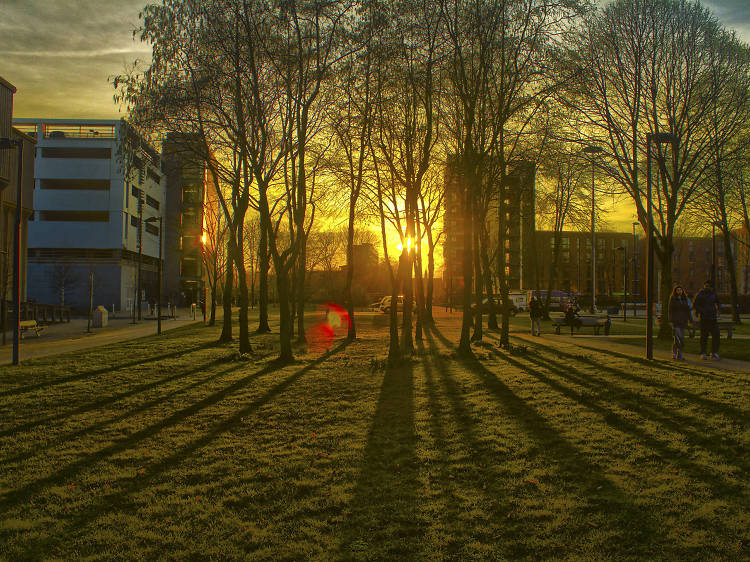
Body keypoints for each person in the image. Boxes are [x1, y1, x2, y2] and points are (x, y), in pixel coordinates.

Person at [692, 280, 721, 360]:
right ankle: (703, 352)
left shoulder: (713, 294)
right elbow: (695, 304)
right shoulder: (700, 294)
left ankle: (714, 352)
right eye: (706, 285)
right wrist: (702, 311)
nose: (707, 287)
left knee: (716, 335)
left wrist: (718, 308)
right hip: (704, 318)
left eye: (708, 286)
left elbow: (718, 302)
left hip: (713, 318)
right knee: (704, 336)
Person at [668, 284, 692, 361]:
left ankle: (680, 354)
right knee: (678, 338)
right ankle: (675, 353)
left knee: (681, 339)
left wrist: (690, 320)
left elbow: (688, 311)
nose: (679, 291)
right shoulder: (673, 299)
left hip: (683, 322)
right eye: (678, 290)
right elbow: (670, 311)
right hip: (676, 321)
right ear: (675, 291)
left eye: (680, 290)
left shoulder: (685, 299)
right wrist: (671, 321)